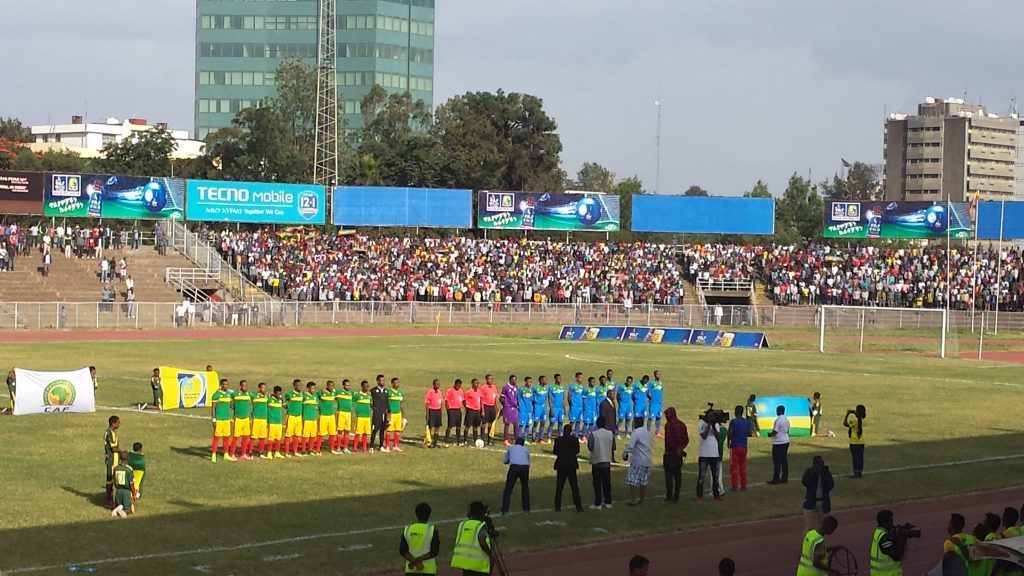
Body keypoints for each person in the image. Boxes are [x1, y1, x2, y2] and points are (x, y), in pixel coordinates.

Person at [450, 501, 496, 576]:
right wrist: (490, 556)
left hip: (465, 563)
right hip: (479, 565)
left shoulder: (463, 524)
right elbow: (482, 542)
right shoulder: (480, 525)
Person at [400, 502, 440, 576]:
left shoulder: (407, 529)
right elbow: (434, 552)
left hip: (411, 570)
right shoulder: (432, 530)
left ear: (416, 514)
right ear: (429, 514)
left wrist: (414, 561)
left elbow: (403, 550)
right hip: (428, 570)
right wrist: (418, 561)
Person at [552, 424, 583, 513]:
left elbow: (555, 452)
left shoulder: (558, 440)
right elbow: (577, 451)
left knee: (559, 487)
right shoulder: (574, 440)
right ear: (570, 431)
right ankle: (578, 507)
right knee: (574, 487)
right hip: (571, 464)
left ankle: (557, 507)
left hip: (561, 464)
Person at [623, 416, 653, 506]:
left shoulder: (636, 433)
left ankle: (633, 500)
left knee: (632, 480)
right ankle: (642, 500)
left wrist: (624, 453)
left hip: (638, 460)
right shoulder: (647, 433)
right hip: (647, 459)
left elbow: (630, 446)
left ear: (634, 423)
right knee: (643, 481)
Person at [801, 456, 835, 532]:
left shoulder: (825, 472)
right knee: (809, 528)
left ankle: (822, 543)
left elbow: (831, 485)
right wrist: (814, 472)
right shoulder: (809, 471)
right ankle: (808, 543)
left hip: (823, 502)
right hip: (810, 502)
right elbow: (806, 482)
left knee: (823, 528)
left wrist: (825, 473)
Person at [696, 408, 723, 501]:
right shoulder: (701, 425)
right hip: (704, 454)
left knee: (715, 476)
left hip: (714, 455)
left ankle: (716, 494)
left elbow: (718, 437)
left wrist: (714, 426)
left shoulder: (716, 425)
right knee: (701, 476)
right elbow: (704, 435)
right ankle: (699, 495)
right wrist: (708, 425)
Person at [662, 407, 688, 503]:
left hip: (670, 454)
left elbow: (669, 440)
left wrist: (675, 449)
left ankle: (669, 496)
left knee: (669, 476)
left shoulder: (668, 425)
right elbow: (686, 439)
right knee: (677, 476)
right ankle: (676, 495)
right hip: (679, 455)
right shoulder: (682, 424)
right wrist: (680, 449)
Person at [588, 415, 614, 510]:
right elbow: (613, 446)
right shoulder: (610, 433)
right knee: (607, 483)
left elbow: (590, 447)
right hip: (606, 461)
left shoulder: (593, 434)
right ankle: (608, 502)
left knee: (597, 483)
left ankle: (598, 503)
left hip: (597, 461)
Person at [500, 437, 531, 515]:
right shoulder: (526, 450)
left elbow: (505, 461)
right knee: (525, 488)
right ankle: (526, 509)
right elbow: (528, 461)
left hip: (514, 467)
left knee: (508, 489)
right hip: (525, 468)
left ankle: (505, 510)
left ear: (515, 442)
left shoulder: (511, 448)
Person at [871, 510, 906, 576]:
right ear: (886, 522)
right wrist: (902, 540)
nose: (892, 524)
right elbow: (896, 556)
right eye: (891, 521)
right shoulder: (884, 538)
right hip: (886, 574)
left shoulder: (878, 532)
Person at [727, 405, 752, 491]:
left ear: (735, 412)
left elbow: (730, 433)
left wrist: (728, 442)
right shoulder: (746, 422)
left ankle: (734, 486)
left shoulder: (733, 422)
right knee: (743, 466)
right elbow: (749, 433)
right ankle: (744, 485)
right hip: (744, 446)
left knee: (734, 466)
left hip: (735, 446)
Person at [210, 379, 234, 462]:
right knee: (216, 438)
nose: (226, 386)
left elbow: (231, 406)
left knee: (226, 437)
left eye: (227, 384)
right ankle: (213, 454)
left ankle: (226, 454)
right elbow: (213, 407)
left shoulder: (229, 395)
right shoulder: (216, 395)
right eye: (224, 384)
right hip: (219, 419)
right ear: (221, 385)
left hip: (227, 419)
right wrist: (213, 419)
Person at [767, 405, 790, 485]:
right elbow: (788, 431)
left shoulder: (778, 420)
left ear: (779, 411)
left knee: (777, 461)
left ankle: (776, 479)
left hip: (778, 442)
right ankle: (785, 478)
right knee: (784, 460)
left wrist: (769, 434)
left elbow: (775, 432)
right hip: (786, 441)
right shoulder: (787, 420)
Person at [110, 450, 137, 518]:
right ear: (128, 459)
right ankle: (120, 512)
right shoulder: (129, 469)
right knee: (130, 510)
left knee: (120, 505)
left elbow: (113, 480)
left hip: (118, 491)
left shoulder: (115, 468)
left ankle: (117, 508)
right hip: (126, 492)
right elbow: (131, 483)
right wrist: (134, 494)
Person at [231, 380, 254, 460]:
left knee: (245, 437)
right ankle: (232, 454)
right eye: (244, 386)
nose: (245, 387)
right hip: (238, 418)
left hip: (246, 419)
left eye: (246, 386)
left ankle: (243, 454)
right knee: (236, 437)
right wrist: (232, 404)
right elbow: (229, 399)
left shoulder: (248, 394)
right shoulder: (235, 394)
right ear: (240, 386)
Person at [844, 405, 867, 479]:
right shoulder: (864, 420)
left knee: (855, 458)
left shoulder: (855, 421)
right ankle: (859, 472)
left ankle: (855, 473)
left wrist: (848, 414)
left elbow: (845, 423)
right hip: (861, 441)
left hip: (854, 441)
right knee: (860, 457)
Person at [283, 379, 304, 457]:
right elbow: (283, 403)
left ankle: (295, 451)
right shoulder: (289, 394)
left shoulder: (302, 394)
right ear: (294, 385)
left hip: (299, 417)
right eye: (298, 385)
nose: (299, 386)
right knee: (288, 435)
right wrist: (288, 408)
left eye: (300, 385)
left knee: (297, 435)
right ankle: (286, 452)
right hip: (291, 417)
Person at [317, 380, 338, 455]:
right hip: (324, 416)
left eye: (332, 386)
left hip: (331, 416)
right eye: (330, 386)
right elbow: (315, 396)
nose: (331, 387)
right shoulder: (321, 393)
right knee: (321, 434)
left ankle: (332, 449)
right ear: (327, 385)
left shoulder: (334, 392)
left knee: (332, 433)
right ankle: (318, 450)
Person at [104, 415, 122, 507]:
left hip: (113, 459)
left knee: (112, 480)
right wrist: (122, 451)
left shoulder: (110, 432)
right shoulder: (110, 433)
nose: (119, 424)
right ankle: (108, 500)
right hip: (112, 460)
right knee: (110, 480)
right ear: (113, 423)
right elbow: (114, 448)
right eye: (118, 422)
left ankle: (111, 498)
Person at [371, 374, 390, 452]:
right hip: (377, 414)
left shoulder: (386, 391)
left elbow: (387, 402)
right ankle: (371, 446)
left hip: (384, 413)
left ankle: (381, 446)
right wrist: (372, 407)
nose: (383, 382)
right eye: (382, 380)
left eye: (384, 380)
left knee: (382, 430)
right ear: (378, 381)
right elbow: (369, 400)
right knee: (375, 430)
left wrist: (389, 412)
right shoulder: (373, 391)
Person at [251, 382, 270, 459]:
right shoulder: (254, 396)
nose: (264, 389)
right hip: (256, 419)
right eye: (263, 388)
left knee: (262, 437)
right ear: (259, 388)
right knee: (253, 436)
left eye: (265, 388)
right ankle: (249, 452)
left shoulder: (266, 397)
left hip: (264, 419)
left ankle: (261, 452)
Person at [300, 381, 320, 455]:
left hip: (314, 419)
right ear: (308, 388)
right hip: (307, 419)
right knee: (305, 435)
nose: (313, 390)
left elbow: (316, 405)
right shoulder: (304, 396)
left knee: (313, 435)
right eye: (312, 388)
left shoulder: (315, 396)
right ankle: (303, 450)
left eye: (314, 388)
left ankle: (310, 450)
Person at [444, 379, 466, 447]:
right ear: (455, 384)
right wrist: (448, 410)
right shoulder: (450, 390)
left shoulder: (461, 390)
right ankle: (446, 441)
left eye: (459, 386)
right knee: (450, 426)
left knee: (458, 426)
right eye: (457, 385)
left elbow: (463, 400)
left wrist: (466, 407)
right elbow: (446, 400)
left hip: (458, 410)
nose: (458, 387)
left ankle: (458, 441)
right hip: (451, 410)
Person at [386, 377, 405, 452]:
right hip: (392, 414)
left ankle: (395, 446)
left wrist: (403, 415)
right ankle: (387, 446)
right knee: (389, 430)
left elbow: (401, 404)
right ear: (392, 384)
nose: (398, 384)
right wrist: (388, 414)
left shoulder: (400, 392)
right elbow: (385, 403)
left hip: (398, 414)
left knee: (397, 430)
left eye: (398, 383)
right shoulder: (389, 392)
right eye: (396, 383)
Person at [353, 380, 373, 452]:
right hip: (360, 417)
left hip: (367, 417)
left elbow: (371, 404)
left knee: (365, 433)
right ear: (362, 387)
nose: (367, 388)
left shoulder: (369, 396)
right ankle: (355, 447)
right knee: (358, 433)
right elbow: (351, 401)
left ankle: (364, 448)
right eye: (366, 386)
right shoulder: (357, 395)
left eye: (368, 386)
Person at [335, 380, 354, 454]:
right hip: (341, 413)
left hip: (348, 414)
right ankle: (338, 448)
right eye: (346, 385)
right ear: (343, 385)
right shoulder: (338, 392)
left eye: (349, 385)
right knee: (340, 430)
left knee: (347, 431)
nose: (348, 387)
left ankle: (345, 447)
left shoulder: (351, 393)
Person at [500, 375, 520, 445]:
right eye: (514, 380)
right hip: (508, 408)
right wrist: (505, 405)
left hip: (515, 408)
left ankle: (516, 439)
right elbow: (501, 398)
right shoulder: (505, 387)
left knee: (516, 423)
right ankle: (505, 440)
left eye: (515, 380)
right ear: (510, 380)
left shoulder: (516, 387)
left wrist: (517, 404)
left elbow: (517, 397)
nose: (515, 381)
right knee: (507, 424)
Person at [424, 379, 443, 449]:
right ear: (433, 384)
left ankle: (435, 442)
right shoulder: (430, 392)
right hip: (432, 411)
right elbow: (427, 403)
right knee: (430, 427)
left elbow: (441, 402)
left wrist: (441, 412)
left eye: (439, 384)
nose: (438, 385)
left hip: (438, 411)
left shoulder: (439, 392)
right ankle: (428, 442)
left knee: (437, 427)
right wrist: (427, 413)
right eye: (436, 384)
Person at [464, 378, 483, 446]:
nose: (477, 384)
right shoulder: (469, 392)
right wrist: (467, 408)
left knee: (476, 426)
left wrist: (482, 410)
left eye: (478, 383)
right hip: (470, 410)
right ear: (472, 383)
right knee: (468, 426)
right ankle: (465, 440)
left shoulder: (479, 391)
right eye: (476, 383)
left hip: (477, 411)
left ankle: (475, 440)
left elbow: (481, 401)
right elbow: (464, 401)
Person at [547, 374, 566, 442]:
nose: (559, 380)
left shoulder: (562, 387)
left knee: (561, 423)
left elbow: (563, 399)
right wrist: (551, 408)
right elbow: (549, 399)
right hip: (554, 408)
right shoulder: (551, 387)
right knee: (552, 423)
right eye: (558, 378)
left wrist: (564, 409)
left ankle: (560, 436)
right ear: (555, 379)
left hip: (561, 408)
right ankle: (549, 437)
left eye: (560, 378)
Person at [480, 374, 498, 445]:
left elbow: (495, 399)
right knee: (484, 423)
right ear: (486, 380)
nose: (490, 380)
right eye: (489, 379)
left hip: (492, 407)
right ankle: (482, 439)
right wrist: (483, 410)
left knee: (491, 424)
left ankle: (490, 439)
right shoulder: (483, 387)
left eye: (492, 379)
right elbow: (481, 400)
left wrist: (496, 408)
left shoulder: (494, 387)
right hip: (486, 407)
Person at [268, 385, 285, 458]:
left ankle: (277, 452)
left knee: (278, 438)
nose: (279, 395)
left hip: (279, 422)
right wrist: (270, 395)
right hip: (272, 422)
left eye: (280, 393)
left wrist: (282, 399)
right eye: (278, 394)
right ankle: (269, 452)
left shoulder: (280, 400)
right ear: (274, 393)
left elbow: (285, 406)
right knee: (271, 438)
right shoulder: (269, 399)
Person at [516, 377, 535, 445]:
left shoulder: (531, 390)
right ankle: (519, 438)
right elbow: (518, 398)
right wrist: (519, 406)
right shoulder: (521, 389)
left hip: (529, 411)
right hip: (522, 410)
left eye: (531, 382)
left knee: (527, 425)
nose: (530, 383)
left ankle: (526, 439)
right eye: (528, 382)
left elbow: (532, 399)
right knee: (521, 425)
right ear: (525, 382)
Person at [531, 375, 550, 444]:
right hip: (537, 407)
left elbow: (545, 397)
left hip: (543, 407)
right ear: (541, 381)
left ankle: (540, 439)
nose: (546, 381)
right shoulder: (535, 388)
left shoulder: (546, 388)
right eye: (545, 380)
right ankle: (533, 439)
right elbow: (531, 396)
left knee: (543, 423)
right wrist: (534, 403)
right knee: (536, 423)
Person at [568, 372, 585, 437]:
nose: (581, 379)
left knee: (578, 422)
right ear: (576, 378)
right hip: (574, 407)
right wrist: (571, 405)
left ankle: (576, 436)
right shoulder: (572, 386)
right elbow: (569, 396)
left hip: (580, 407)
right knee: (572, 422)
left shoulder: (581, 387)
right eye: (580, 377)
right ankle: (568, 435)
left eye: (582, 377)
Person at [649, 370, 665, 437]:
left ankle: (657, 433)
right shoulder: (651, 383)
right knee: (650, 418)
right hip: (653, 404)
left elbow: (661, 391)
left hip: (659, 404)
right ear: (654, 375)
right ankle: (647, 432)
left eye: (659, 374)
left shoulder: (661, 383)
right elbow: (648, 392)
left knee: (658, 418)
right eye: (657, 374)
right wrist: (651, 399)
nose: (658, 375)